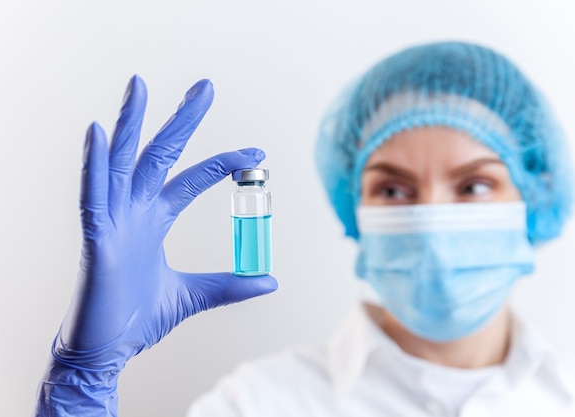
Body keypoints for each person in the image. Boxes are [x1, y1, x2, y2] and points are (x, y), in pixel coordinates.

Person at [34, 42, 575, 416]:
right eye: (393, 189)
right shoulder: (258, 404)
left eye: (475, 186)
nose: (433, 222)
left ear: (536, 198)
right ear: (352, 206)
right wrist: (86, 378)